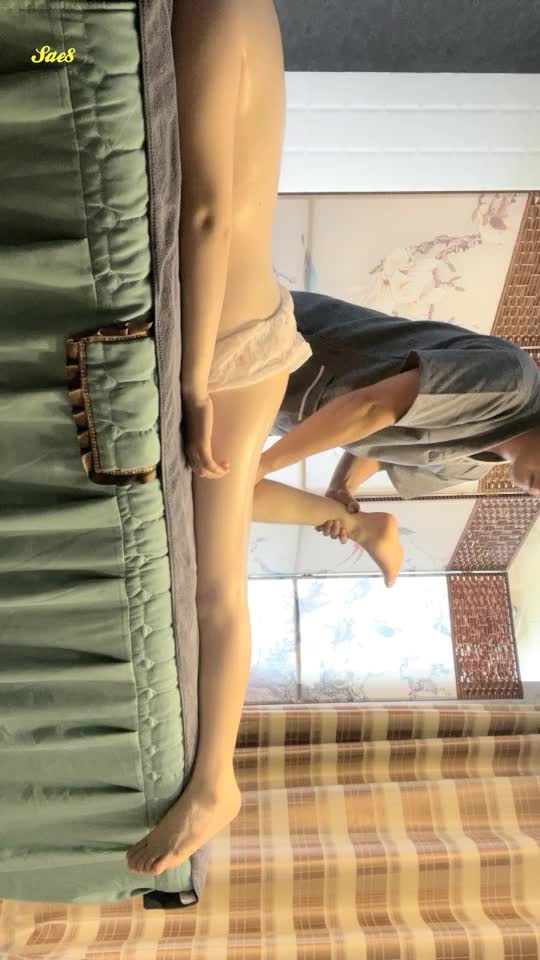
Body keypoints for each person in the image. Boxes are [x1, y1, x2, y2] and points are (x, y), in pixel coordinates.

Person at [126, 0, 402, 878]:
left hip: (231, 342)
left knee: (216, 580)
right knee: (222, 520)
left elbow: (209, 212)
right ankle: (354, 521)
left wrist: (192, 380)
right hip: (239, 323)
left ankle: (217, 781)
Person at [253, 290, 540, 543]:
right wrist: (263, 465)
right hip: (284, 343)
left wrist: (342, 487)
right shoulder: (512, 384)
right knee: (236, 483)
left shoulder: (469, 469)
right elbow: (374, 408)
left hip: (278, 411)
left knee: (235, 485)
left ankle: (367, 529)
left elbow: (382, 453)